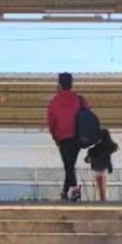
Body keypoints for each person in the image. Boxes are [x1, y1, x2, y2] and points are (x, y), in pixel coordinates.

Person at [47, 72, 89, 201]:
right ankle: (65, 192)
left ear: (59, 85)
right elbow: (87, 113)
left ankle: (75, 191)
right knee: (69, 165)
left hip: (63, 137)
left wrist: (55, 137)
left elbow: (51, 122)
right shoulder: (79, 99)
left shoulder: (54, 102)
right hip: (77, 137)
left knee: (68, 165)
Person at [85, 128, 118, 202]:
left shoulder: (94, 149)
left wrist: (89, 158)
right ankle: (103, 198)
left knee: (99, 185)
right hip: (104, 167)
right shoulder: (109, 147)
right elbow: (108, 156)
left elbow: (87, 159)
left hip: (96, 167)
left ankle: (100, 198)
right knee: (103, 184)